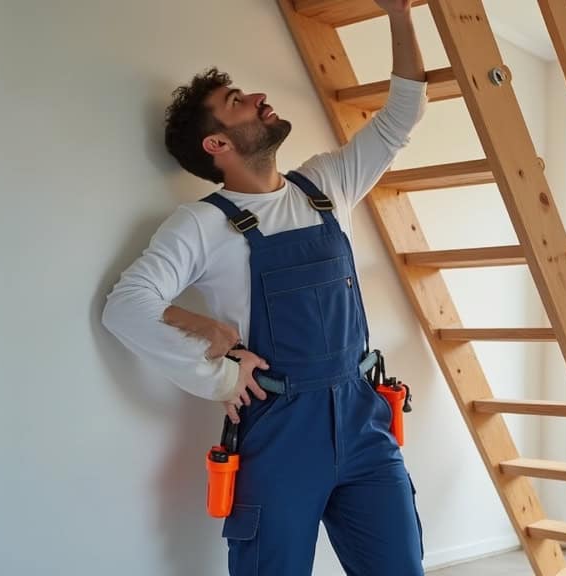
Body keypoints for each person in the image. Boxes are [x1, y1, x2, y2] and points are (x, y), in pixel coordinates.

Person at [101, 1, 427, 573]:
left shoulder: (324, 185)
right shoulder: (203, 223)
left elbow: (404, 112)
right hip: (279, 432)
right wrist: (217, 362)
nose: (257, 99)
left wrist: (398, 13)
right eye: (237, 103)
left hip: (362, 416)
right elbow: (126, 307)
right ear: (217, 145)